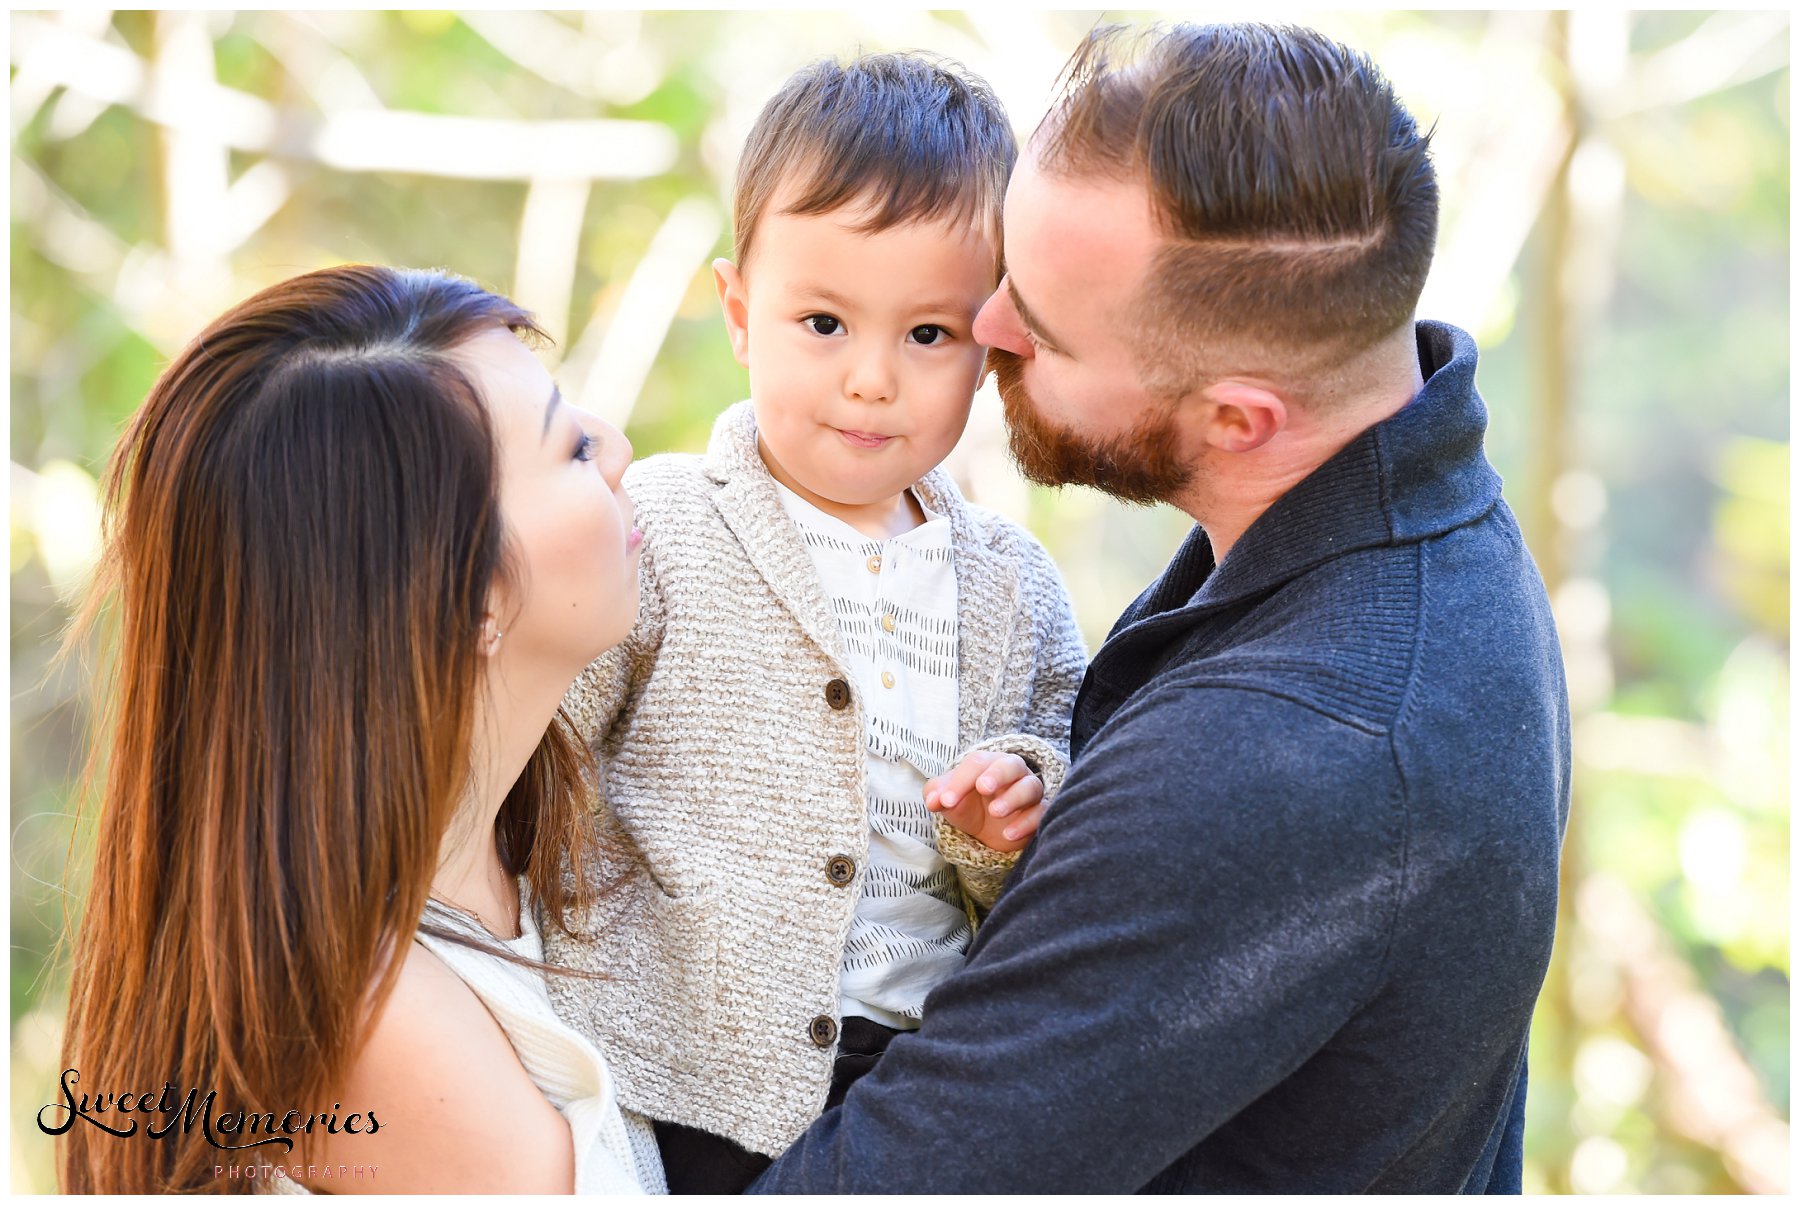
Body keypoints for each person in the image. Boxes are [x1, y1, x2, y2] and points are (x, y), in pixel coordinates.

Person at [751, 22, 1571, 1194]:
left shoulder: (1285, 755)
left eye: (1038, 318)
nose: (985, 328)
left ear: (1240, 419)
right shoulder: (1421, 511)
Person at [540, 53, 1088, 1193]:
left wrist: (1009, 810)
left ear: (991, 348)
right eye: (825, 321)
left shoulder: (1011, 582)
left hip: (919, 1080)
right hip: (678, 1067)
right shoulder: (662, 524)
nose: (872, 380)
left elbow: (1058, 768)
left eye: (928, 335)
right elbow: (537, 734)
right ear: (742, 314)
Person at [53, 264, 665, 1194]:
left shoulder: (517, 863)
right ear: (467, 596)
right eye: (572, 448)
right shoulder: (387, 1034)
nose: (617, 448)